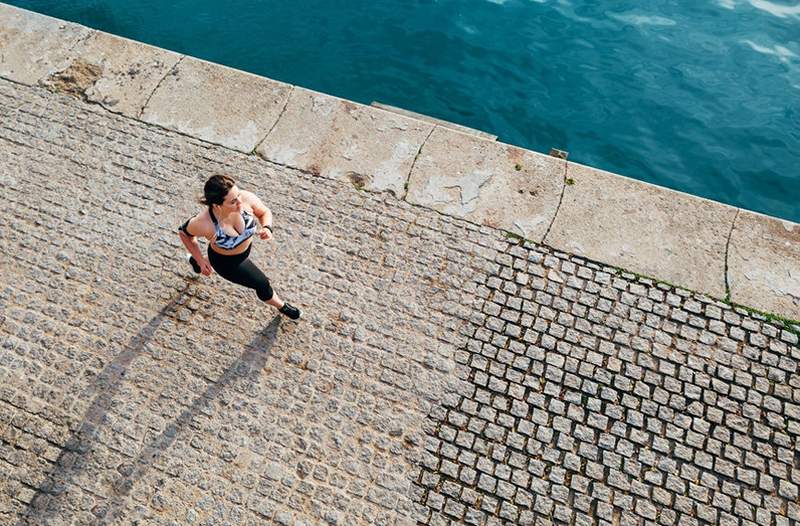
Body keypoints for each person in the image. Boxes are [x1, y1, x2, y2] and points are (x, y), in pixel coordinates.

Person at [177, 174, 301, 320]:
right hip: (227, 263)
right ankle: (282, 306)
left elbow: (264, 212)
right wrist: (200, 258)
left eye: (238, 195)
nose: (240, 203)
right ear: (217, 205)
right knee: (261, 283)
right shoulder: (204, 223)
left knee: (205, 260)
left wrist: (267, 227)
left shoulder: (245, 198)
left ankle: (197, 264)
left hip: (243, 251)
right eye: (233, 201)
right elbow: (184, 233)